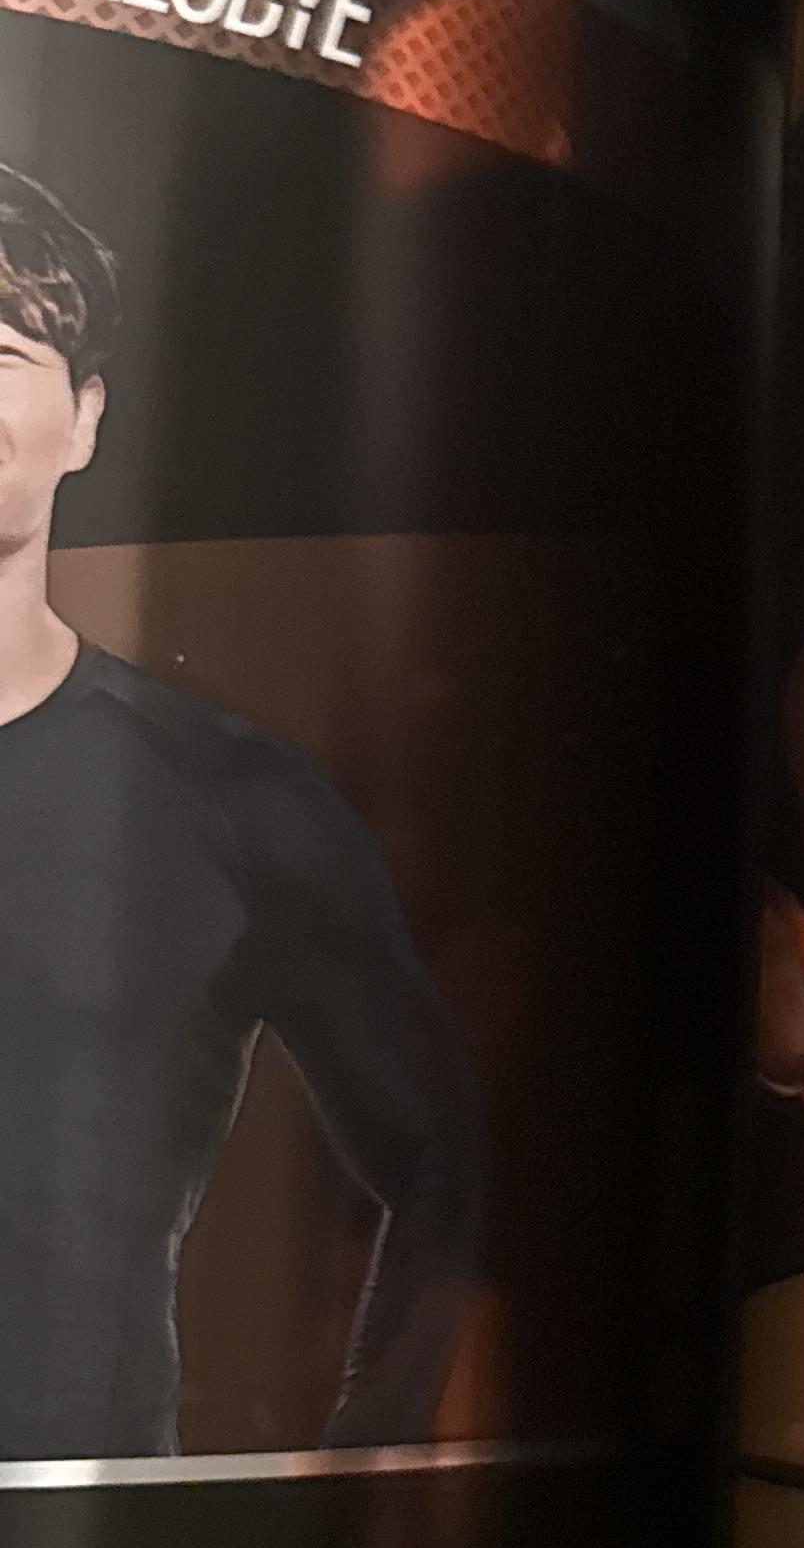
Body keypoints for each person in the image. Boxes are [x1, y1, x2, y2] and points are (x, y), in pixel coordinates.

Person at [0, 162, 485, 1460]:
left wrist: (360, 1477)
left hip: (81, 1540)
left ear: (84, 418)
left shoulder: (228, 798)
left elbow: (446, 1157)